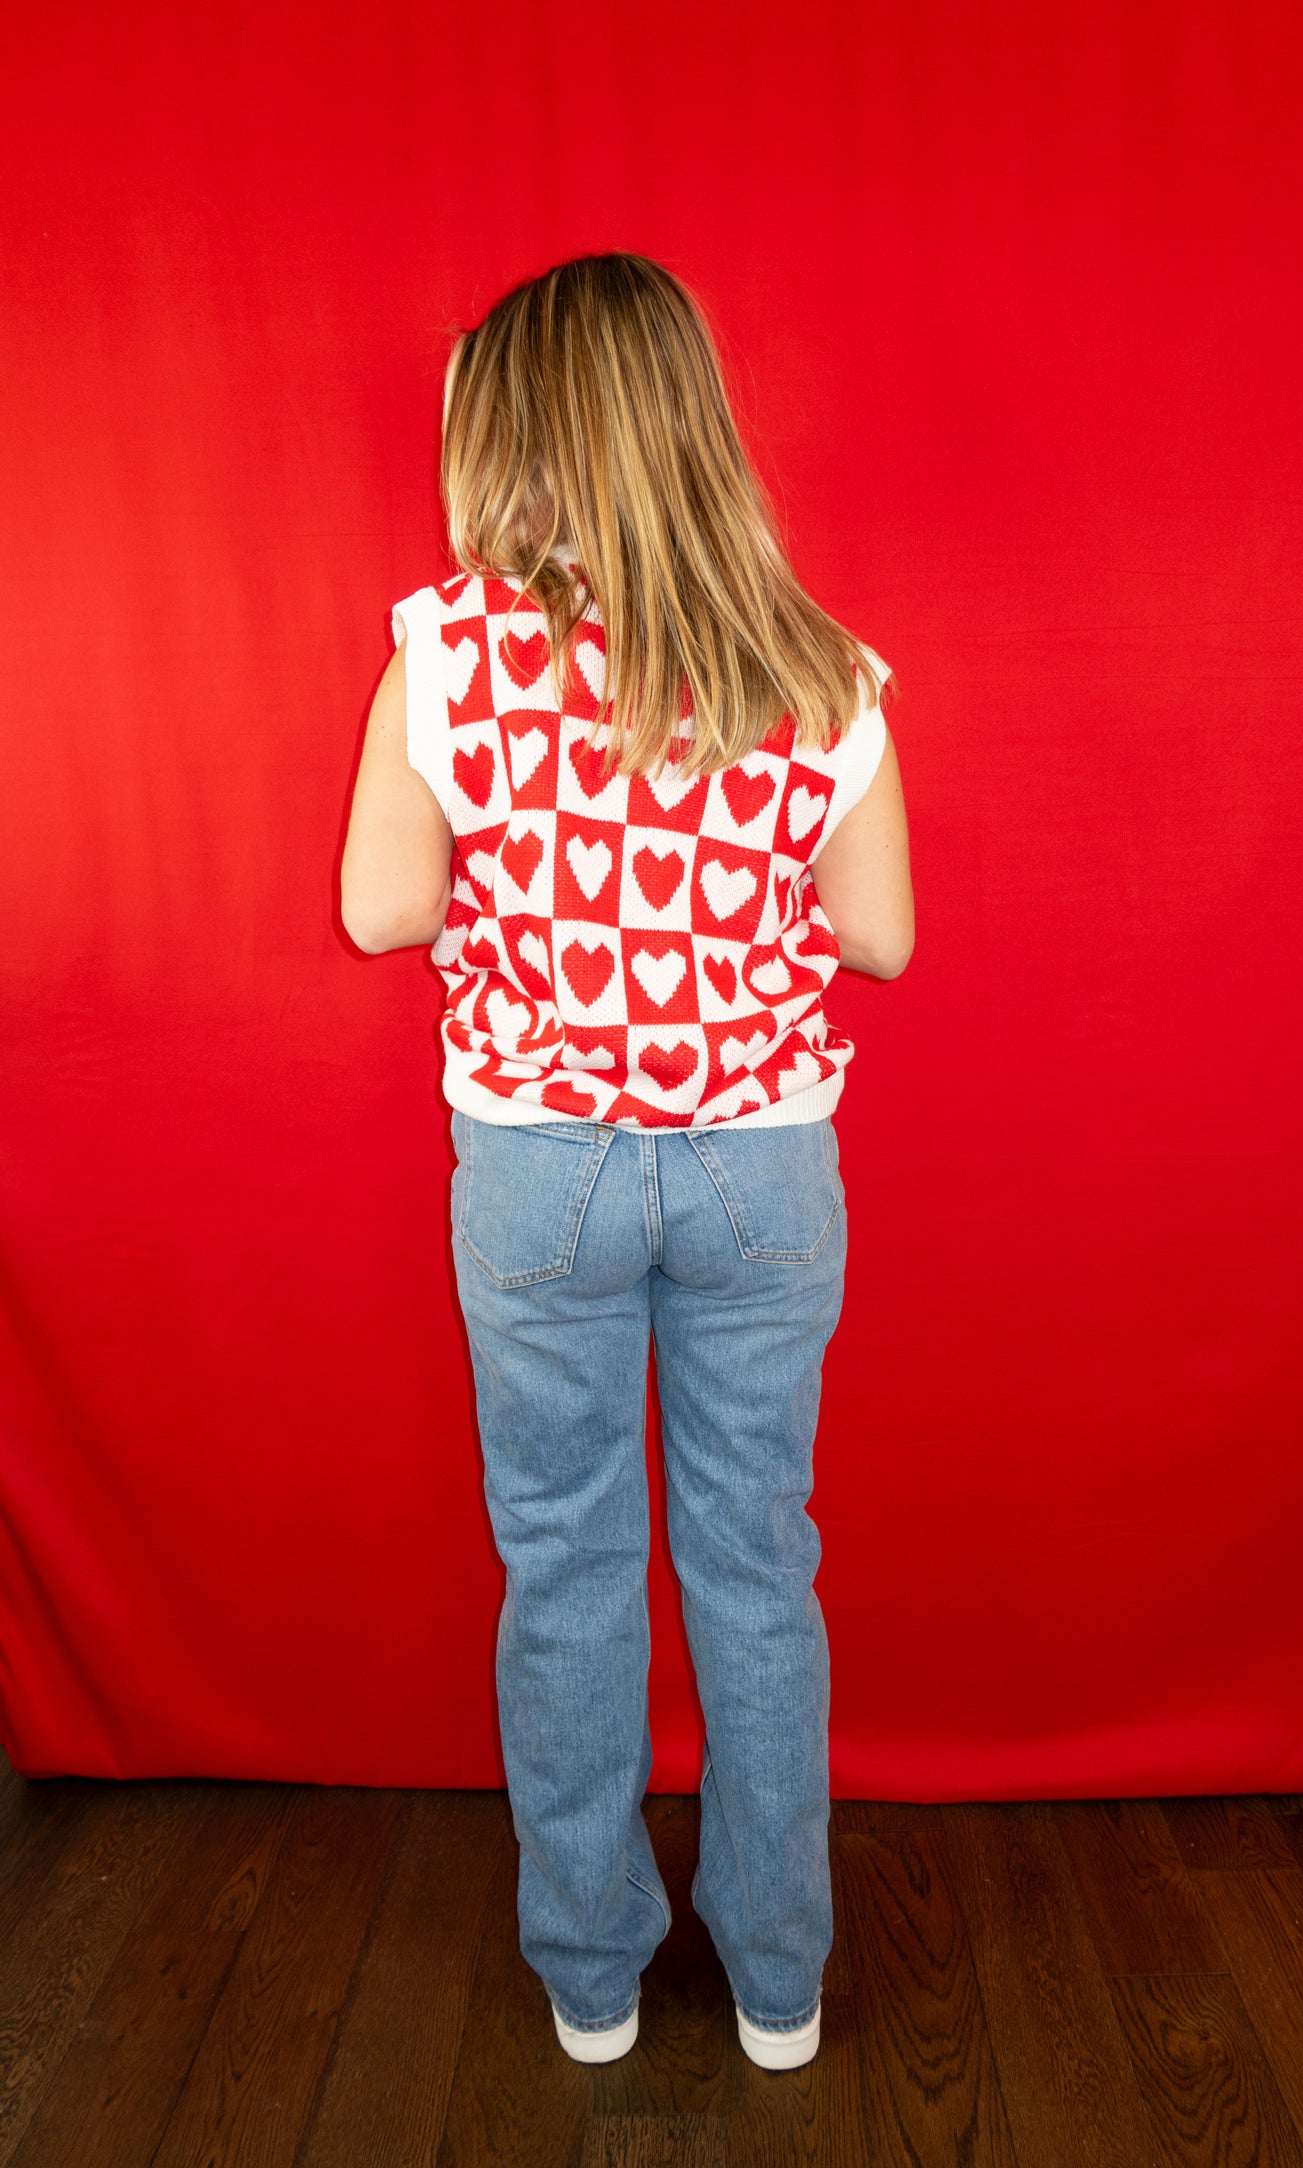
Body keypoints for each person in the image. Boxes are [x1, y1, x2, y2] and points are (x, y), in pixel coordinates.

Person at [339, 252, 913, 2072]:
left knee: (564, 1569)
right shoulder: (815, 664)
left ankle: (590, 1981)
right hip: (759, 1174)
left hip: (539, 1176)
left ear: (506, 438)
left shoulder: (444, 650)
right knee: (756, 1565)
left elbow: (377, 911)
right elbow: (883, 940)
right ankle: (778, 1986)